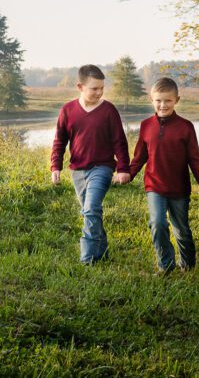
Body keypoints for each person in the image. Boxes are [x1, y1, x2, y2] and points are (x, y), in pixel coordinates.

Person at [127, 78, 199, 273]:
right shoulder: (146, 125)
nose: (163, 105)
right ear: (151, 99)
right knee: (157, 223)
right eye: (158, 100)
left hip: (179, 189)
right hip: (154, 186)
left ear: (176, 100)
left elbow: (195, 160)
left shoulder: (186, 127)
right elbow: (139, 156)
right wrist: (127, 174)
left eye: (168, 101)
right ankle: (166, 265)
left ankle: (188, 265)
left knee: (181, 229)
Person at [50, 64, 131, 264]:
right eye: (94, 88)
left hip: (102, 168)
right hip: (77, 170)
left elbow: (119, 141)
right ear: (80, 86)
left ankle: (88, 259)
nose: (99, 92)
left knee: (91, 209)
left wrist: (122, 168)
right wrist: (56, 167)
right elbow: (59, 141)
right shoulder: (68, 110)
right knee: (90, 211)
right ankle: (102, 252)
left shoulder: (109, 110)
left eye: (102, 88)